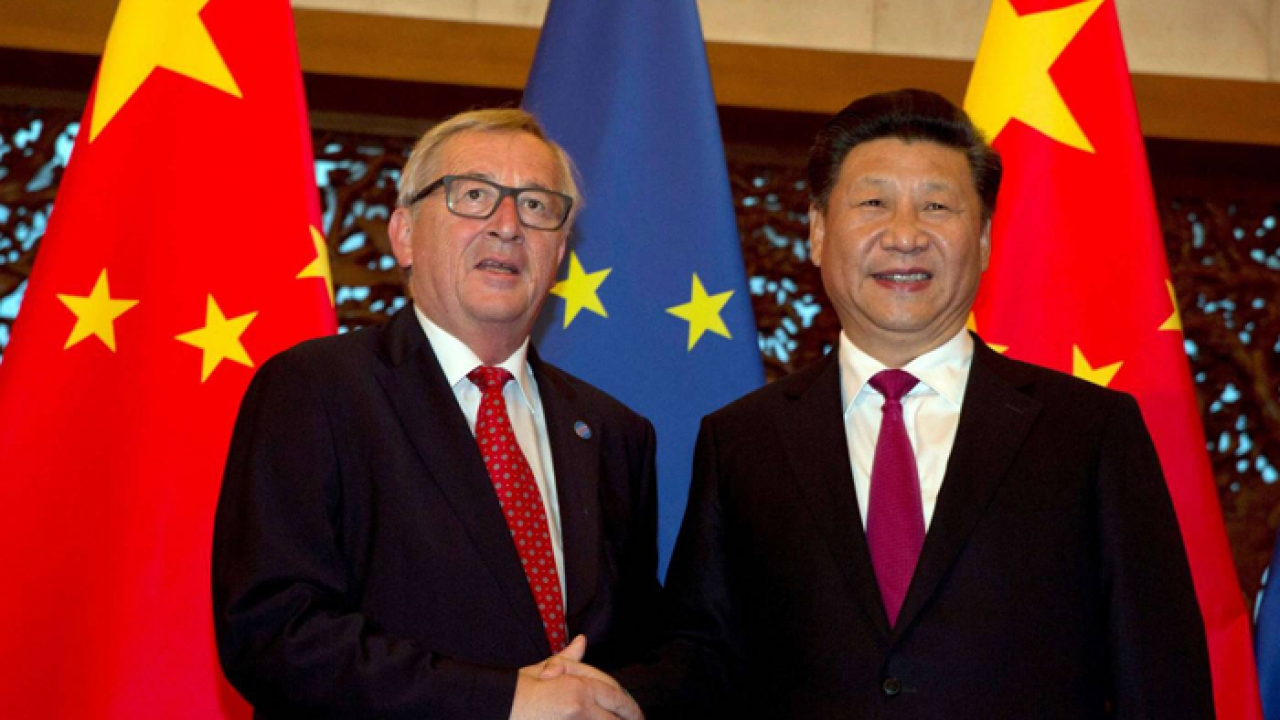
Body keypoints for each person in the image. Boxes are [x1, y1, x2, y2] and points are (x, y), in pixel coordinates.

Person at [620, 89, 1213, 718]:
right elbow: (705, 658)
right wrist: (620, 696)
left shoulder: (1089, 431)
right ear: (818, 232)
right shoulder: (743, 439)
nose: (905, 236)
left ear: (983, 239)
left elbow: (1158, 674)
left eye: (936, 206)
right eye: (873, 203)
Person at [213, 108, 658, 719]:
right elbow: (274, 632)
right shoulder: (315, 389)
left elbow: (642, 642)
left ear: (559, 253)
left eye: (535, 206)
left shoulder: (612, 432)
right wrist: (505, 702)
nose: (507, 226)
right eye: (473, 196)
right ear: (404, 235)